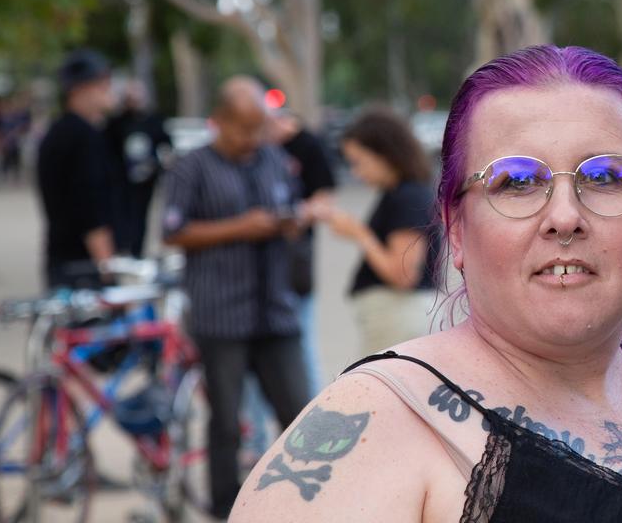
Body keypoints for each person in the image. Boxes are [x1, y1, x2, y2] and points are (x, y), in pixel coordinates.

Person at [233, 46, 622, 522]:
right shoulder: (371, 434)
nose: (564, 216)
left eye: (604, 176)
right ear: (456, 230)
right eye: (515, 181)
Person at [161, 76, 311, 520]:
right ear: (220, 121)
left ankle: (307, 505)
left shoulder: (273, 160)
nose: (252, 138)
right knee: (226, 422)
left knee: (303, 418)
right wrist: (239, 227)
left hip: (275, 312)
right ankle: (226, 510)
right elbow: (172, 231)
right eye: (244, 128)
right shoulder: (190, 167)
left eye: (259, 128)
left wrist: (290, 222)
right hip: (221, 315)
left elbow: (292, 205)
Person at [314, 107, 442, 356]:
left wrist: (359, 233)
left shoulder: (408, 195)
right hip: (397, 316)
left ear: (384, 153)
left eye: (358, 162)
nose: (355, 172)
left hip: (399, 316)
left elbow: (403, 275)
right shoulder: (403, 192)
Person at [36, 49, 118, 289]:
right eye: (102, 83)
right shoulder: (82, 137)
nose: (108, 89)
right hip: (82, 267)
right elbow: (90, 209)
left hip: (63, 260)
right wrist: (107, 269)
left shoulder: (60, 132)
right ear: (79, 89)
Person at [271, 109, 337, 388]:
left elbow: (325, 199)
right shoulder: (262, 149)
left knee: (301, 339)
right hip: (261, 261)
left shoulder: (309, 145)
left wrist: (294, 216)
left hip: (296, 254)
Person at [105, 78, 172, 257]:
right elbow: (108, 149)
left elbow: (166, 146)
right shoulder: (117, 122)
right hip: (122, 179)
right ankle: (122, 246)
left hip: (145, 178)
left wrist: (157, 165)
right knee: (120, 212)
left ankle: (136, 250)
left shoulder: (154, 120)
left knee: (140, 215)